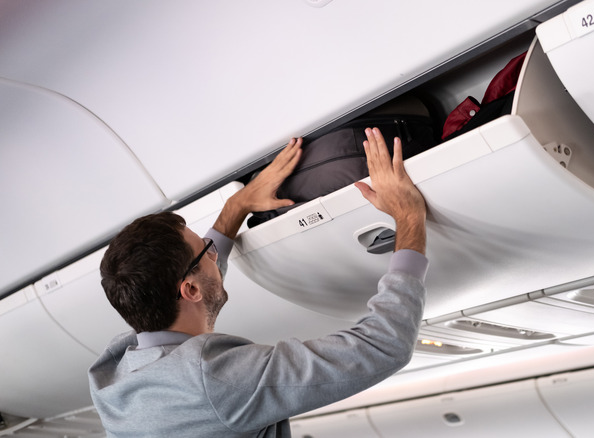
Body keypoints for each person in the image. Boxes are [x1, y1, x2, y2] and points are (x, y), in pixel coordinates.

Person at [88, 128, 428, 437]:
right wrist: (409, 217)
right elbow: (383, 346)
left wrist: (238, 206)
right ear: (189, 290)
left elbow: (194, 278)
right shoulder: (215, 379)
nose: (213, 254)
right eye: (205, 250)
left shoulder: (116, 376)